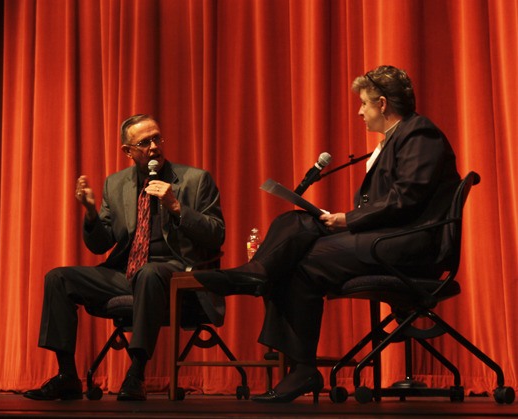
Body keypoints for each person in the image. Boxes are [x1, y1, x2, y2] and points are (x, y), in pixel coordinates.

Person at [194, 65, 461, 403]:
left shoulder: (419, 134)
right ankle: (258, 275)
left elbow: (405, 199)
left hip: (411, 246)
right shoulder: (394, 139)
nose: (359, 111)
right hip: (385, 238)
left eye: (364, 103)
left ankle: (299, 363)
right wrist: (340, 219)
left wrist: (348, 220)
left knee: (299, 263)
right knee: (294, 222)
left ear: (382, 103)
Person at [24, 114, 225, 401]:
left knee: (150, 273)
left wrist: (177, 207)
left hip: (178, 272)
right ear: (128, 151)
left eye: (157, 138)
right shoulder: (116, 184)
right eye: (144, 142)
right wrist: (92, 214)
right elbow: (100, 244)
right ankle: (67, 375)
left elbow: (217, 234)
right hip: (127, 273)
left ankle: (136, 374)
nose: (154, 147)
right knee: (58, 278)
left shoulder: (195, 180)